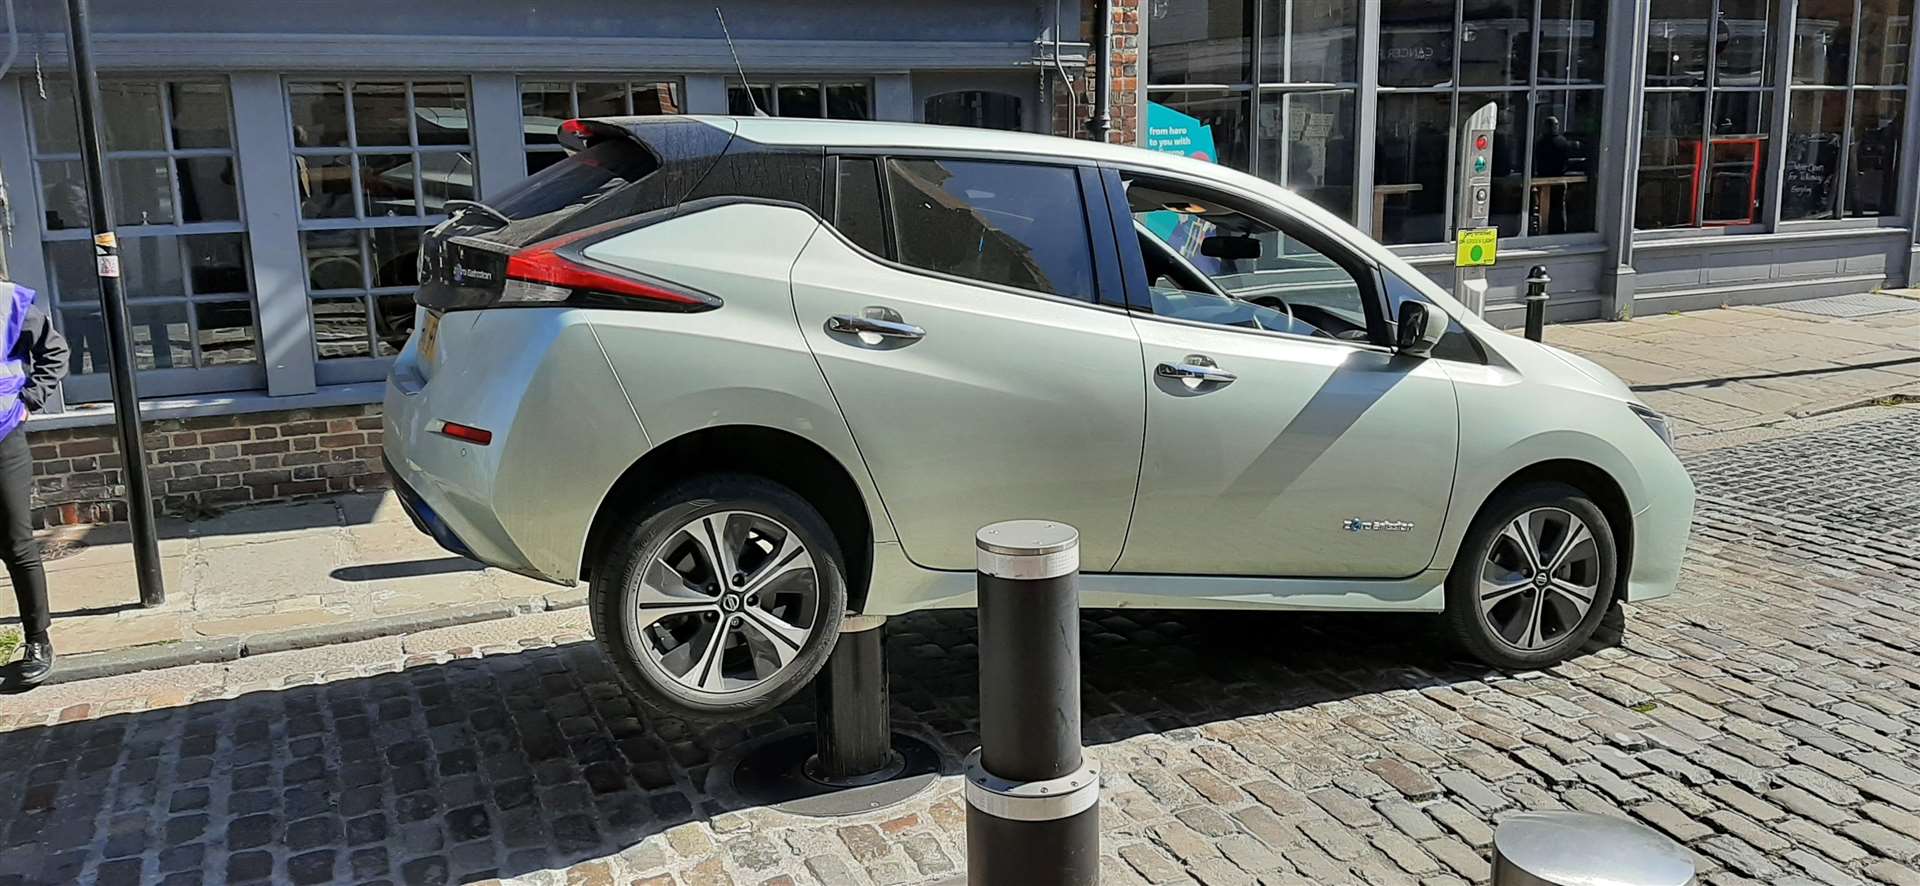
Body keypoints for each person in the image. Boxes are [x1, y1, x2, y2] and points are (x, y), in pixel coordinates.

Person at [2, 280, 70, 688]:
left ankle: (37, 639)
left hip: (2, 435)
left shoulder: (7, 301)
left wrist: (31, 399)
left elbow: (53, 350)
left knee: (15, 540)